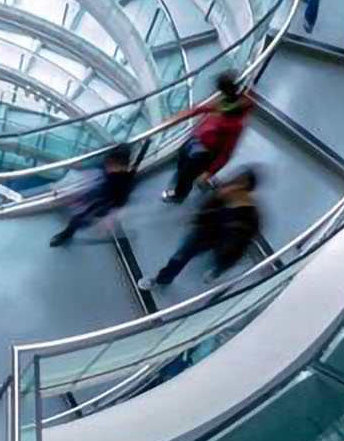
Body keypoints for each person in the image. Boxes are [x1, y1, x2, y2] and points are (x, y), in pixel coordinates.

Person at [139, 168, 261, 290]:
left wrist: (224, 256)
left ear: (244, 188)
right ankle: (162, 280)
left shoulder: (248, 217)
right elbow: (207, 209)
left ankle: (217, 271)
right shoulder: (224, 196)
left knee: (218, 260)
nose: (230, 186)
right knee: (180, 256)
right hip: (201, 235)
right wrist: (197, 217)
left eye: (236, 183)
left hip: (219, 242)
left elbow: (238, 244)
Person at [160, 71, 253, 204]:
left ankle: (179, 195)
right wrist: (176, 118)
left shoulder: (235, 122)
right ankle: (201, 180)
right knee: (182, 163)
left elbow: (226, 152)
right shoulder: (222, 102)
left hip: (205, 152)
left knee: (186, 173)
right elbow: (199, 109)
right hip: (197, 141)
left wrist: (210, 171)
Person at [49, 144, 137, 246]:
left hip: (102, 203)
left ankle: (66, 234)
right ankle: (67, 233)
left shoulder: (121, 181)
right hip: (99, 199)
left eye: (108, 162)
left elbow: (119, 200)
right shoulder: (121, 177)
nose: (106, 164)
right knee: (80, 219)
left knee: (79, 219)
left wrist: (110, 216)